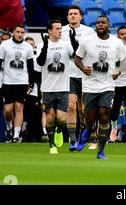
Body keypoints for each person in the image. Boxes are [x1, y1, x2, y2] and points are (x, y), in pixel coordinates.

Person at [74, 15, 126, 159]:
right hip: (90, 86)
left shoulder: (117, 43)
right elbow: (77, 58)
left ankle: (101, 151)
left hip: (108, 86)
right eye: (97, 23)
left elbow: (124, 61)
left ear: (109, 25)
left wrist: (118, 72)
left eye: (103, 22)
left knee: (104, 116)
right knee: (90, 118)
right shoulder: (87, 41)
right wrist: (83, 68)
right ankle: (87, 131)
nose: (100, 25)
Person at [36, 20, 74, 154]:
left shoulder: (66, 44)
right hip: (47, 88)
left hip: (63, 87)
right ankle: (52, 145)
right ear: (49, 31)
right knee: (50, 118)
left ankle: (59, 131)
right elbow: (40, 62)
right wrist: (46, 46)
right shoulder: (42, 44)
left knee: (62, 119)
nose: (60, 31)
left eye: (60, 28)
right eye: (57, 28)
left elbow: (75, 55)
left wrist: (74, 41)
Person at [60, 5, 94, 151]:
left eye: (76, 14)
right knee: (71, 106)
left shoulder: (89, 31)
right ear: (67, 17)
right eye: (70, 14)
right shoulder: (62, 31)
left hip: (85, 75)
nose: (73, 16)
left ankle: (88, 136)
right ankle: (73, 140)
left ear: (81, 16)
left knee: (86, 110)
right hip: (69, 75)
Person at [0, 25, 35, 143]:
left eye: (22, 32)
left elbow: (31, 67)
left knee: (19, 108)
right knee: (7, 110)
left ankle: (16, 135)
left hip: (22, 82)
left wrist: (31, 83)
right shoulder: (5, 45)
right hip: (8, 82)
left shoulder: (27, 47)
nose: (20, 34)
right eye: (18, 32)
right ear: (13, 32)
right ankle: (8, 128)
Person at [23, 37, 43, 143]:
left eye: (32, 44)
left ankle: (33, 138)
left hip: (33, 92)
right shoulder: (20, 57)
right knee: (21, 115)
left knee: (34, 117)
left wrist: (31, 81)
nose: (30, 46)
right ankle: (18, 136)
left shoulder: (36, 59)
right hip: (20, 90)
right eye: (28, 44)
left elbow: (39, 75)